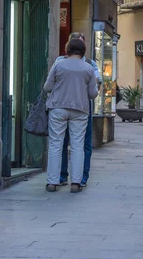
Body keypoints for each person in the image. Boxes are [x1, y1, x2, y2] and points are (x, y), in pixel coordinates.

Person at [44, 38, 98, 193]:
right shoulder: (88, 68)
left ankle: (52, 182)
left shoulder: (58, 64)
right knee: (77, 146)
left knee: (55, 144)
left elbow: (47, 87)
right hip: (80, 110)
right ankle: (76, 182)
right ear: (83, 51)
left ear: (67, 49)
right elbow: (92, 94)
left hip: (58, 108)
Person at [57, 32, 102, 187]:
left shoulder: (90, 64)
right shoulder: (60, 61)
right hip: (65, 106)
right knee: (62, 142)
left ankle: (82, 177)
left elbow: (97, 85)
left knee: (84, 143)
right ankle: (62, 176)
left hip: (83, 108)